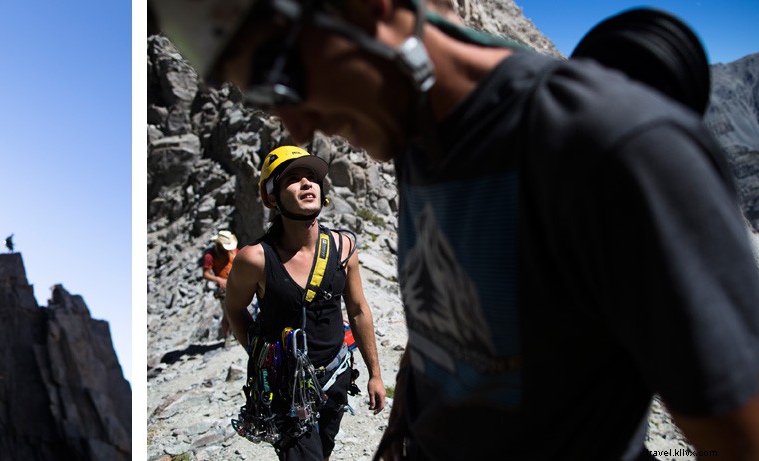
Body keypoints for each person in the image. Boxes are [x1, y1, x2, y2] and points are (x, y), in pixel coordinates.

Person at [152, 0, 759, 459]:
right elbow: (447, 320)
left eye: (280, 75)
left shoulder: (609, 145)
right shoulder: (422, 146)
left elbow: (738, 435)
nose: (296, 122)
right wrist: (398, 432)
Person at [223, 146, 385, 460]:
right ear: (272, 197)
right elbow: (234, 308)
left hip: (336, 375)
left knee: (321, 451)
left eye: (311, 177)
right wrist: (260, 356)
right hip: (285, 389)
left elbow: (358, 309)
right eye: (293, 179)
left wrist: (375, 374)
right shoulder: (254, 259)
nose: (307, 183)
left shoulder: (344, 248)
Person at [203, 230, 239, 339]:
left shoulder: (234, 251)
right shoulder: (210, 256)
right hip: (223, 288)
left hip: (237, 284)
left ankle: (237, 335)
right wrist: (218, 279)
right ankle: (227, 336)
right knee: (228, 313)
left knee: (238, 311)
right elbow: (205, 274)